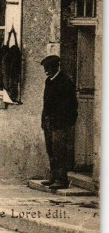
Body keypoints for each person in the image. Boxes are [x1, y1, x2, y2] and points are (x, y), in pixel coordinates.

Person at [40, 55, 78, 190]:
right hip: (49, 122)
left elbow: (71, 106)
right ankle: (53, 177)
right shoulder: (48, 81)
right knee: (50, 150)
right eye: (45, 69)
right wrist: (45, 120)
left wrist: (63, 122)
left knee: (59, 151)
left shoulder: (65, 82)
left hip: (60, 124)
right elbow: (47, 103)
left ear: (56, 67)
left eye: (49, 68)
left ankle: (62, 180)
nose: (47, 71)